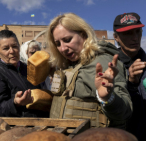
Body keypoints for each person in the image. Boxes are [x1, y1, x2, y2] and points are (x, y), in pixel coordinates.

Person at [47, 13, 132, 129]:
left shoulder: (101, 62)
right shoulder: (70, 64)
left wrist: (108, 98)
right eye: (58, 44)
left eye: (67, 40)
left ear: (84, 35)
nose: (63, 48)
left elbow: (125, 111)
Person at [0, 30, 48, 117]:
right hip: (17, 128)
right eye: (6, 48)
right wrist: (15, 103)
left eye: (14, 46)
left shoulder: (29, 68)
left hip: (41, 124)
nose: (12, 51)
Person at [113, 12, 145, 140]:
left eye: (138, 31)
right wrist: (131, 84)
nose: (135, 38)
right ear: (116, 37)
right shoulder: (110, 67)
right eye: (128, 33)